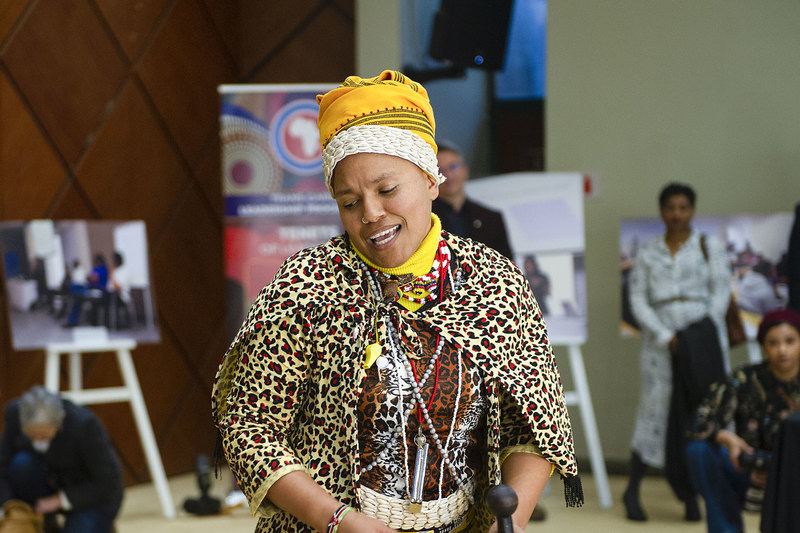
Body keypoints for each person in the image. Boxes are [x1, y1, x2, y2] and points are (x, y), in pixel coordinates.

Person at [212, 70, 581, 533]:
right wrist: (338, 520)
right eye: (349, 202)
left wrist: (510, 524)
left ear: (431, 180)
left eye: (387, 190)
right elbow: (249, 423)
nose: (371, 215)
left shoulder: (493, 283)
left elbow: (534, 421)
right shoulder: (305, 286)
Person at [624, 182, 732, 522]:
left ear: (693, 210)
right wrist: (665, 334)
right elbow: (638, 298)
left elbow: (720, 293)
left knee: (700, 414)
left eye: (683, 207)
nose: (676, 214)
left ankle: (692, 495)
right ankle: (632, 489)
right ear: (661, 211)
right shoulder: (648, 250)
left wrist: (696, 336)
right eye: (670, 207)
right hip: (661, 347)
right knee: (654, 414)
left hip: (702, 344)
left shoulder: (708, 245)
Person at [686, 308, 800, 533]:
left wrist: (784, 471)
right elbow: (700, 421)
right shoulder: (744, 379)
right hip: (750, 469)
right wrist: (727, 439)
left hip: (794, 477)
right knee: (699, 451)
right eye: (773, 343)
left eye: (790, 341)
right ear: (763, 346)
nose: (782, 350)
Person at [0, 386, 123, 533]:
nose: (38, 440)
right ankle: (45, 522)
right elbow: (2, 465)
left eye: (44, 435)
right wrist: (9, 506)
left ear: (59, 423)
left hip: (89, 497)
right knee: (22, 464)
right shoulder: (15, 414)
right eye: (32, 435)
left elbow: (108, 483)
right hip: (47, 482)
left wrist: (60, 500)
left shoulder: (84, 425)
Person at [432, 141, 513, 259]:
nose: (448, 175)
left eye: (453, 166)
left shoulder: (491, 219)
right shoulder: (425, 218)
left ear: (465, 171)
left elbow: (507, 267)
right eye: (440, 170)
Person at [106, 252, 132, 329]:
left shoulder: (124, 271)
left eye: (113, 260)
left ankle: (116, 324)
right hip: (112, 294)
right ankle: (107, 323)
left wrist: (111, 275)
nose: (112, 262)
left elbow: (118, 287)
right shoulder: (115, 271)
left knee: (112, 297)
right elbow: (108, 286)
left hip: (121, 296)